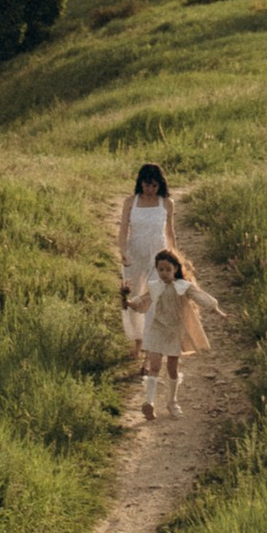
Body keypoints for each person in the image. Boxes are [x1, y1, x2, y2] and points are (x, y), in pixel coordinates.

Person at [130, 246, 224, 422]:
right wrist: (128, 301)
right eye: (161, 270)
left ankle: (172, 402)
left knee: (172, 368)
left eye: (168, 269)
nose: (164, 273)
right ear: (157, 269)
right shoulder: (154, 287)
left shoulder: (183, 287)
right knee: (155, 366)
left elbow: (201, 297)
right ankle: (148, 402)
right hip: (157, 329)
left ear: (175, 269)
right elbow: (142, 302)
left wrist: (217, 310)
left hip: (175, 331)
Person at [118, 161, 174, 382]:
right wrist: (123, 252)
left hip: (158, 258)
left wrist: (175, 259)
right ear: (139, 183)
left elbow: (170, 233)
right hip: (135, 256)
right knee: (133, 300)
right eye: (145, 184)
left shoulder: (166, 203)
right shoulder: (130, 202)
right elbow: (123, 230)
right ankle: (138, 341)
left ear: (160, 184)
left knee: (153, 303)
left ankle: (149, 356)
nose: (149, 189)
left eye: (153, 185)